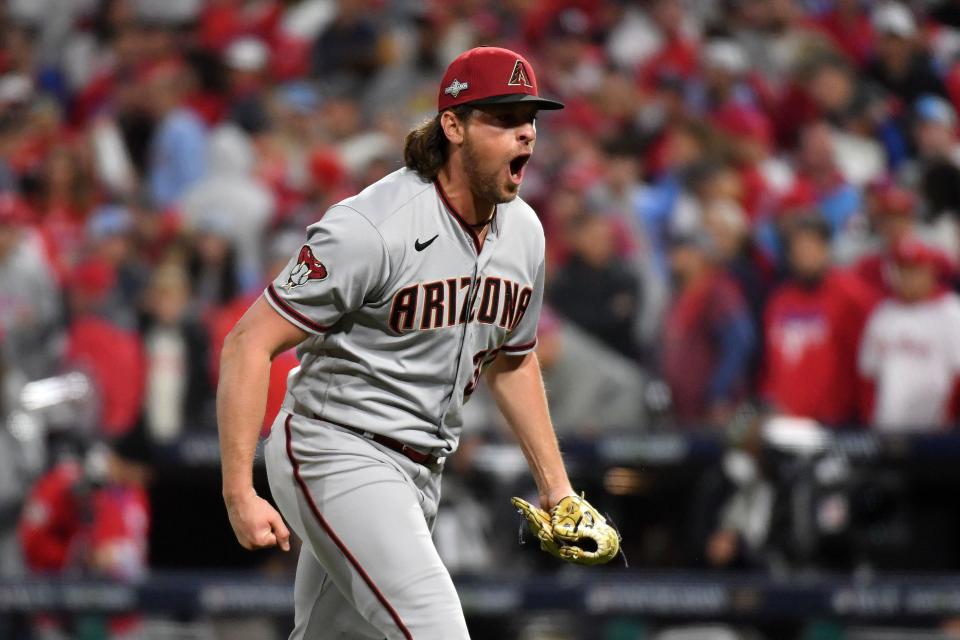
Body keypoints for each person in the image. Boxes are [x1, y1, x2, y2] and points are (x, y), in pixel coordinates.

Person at [217, 47, 595, 639]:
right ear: (454, 126)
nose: (525, 133)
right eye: (502, 117)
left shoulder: (524, 232)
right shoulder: (372, 227)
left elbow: (513, 362)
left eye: (531, 119)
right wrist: (240, 489)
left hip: (420, 469)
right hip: (335, 447)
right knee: (435, 629)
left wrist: (556, 485)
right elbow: (247, 343)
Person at [762, 216, 876, 425]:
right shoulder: (779, 300)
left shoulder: (852, 296)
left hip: (835, 424)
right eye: (797, 248)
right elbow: (769, 368)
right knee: (734, 443)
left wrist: (863, 418)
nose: (804, 254)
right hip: (784, 422)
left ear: (826, 248)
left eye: (811, 246)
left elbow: (868, 365)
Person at [858, 237, 960, 431]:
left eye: (915, 270)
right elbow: (867, 376)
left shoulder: (951, 311)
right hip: (887, 432)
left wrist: (950, 422)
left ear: (931, 271)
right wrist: (871, 421)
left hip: (936, 434)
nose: (909, 278)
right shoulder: (883, 314)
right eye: (903, 270)